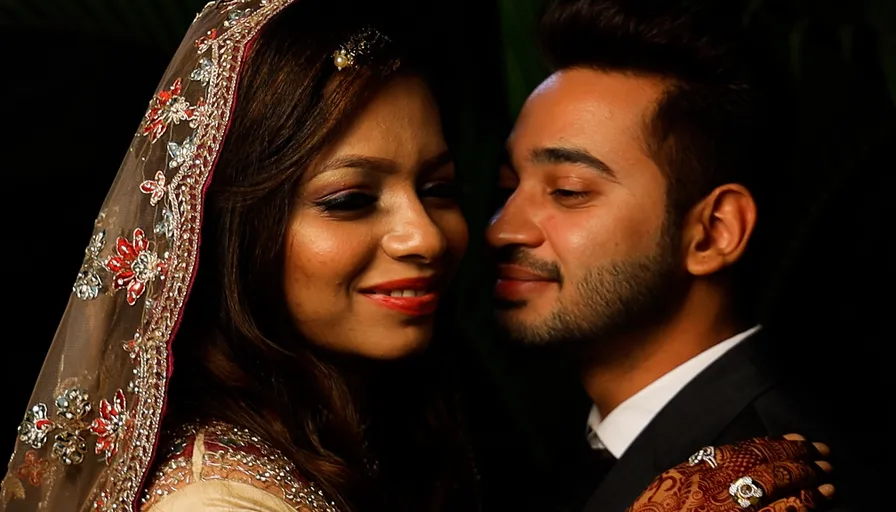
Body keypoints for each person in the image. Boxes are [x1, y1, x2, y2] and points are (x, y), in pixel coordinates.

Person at [1, 1, 835, 511]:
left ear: (714, 230)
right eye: (351, 199)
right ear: (231, 227)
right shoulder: (219, 499)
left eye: (438, 188)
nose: (437, 237)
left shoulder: (790, 473)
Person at [486, 0, 872, 511]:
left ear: (713, 232)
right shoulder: (572, 458)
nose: (502, 228)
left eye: (569, 190)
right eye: (508, 186)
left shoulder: (783, 484)